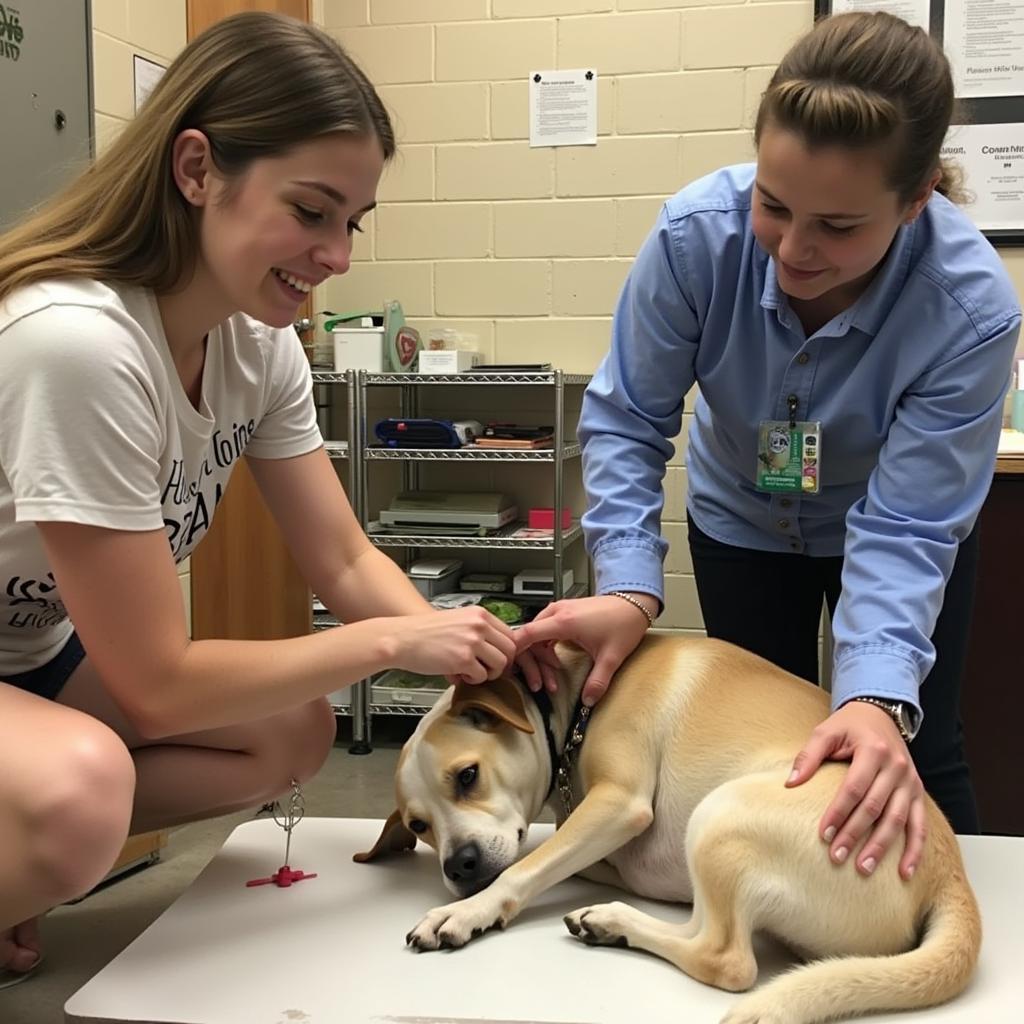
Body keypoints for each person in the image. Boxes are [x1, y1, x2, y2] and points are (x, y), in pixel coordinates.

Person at [0, 12, 547, 984]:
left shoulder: (259, 344)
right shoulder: (75, 343)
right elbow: (157, 683)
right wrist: (394, 642)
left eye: (352, 221)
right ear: (198, 169)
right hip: (43, 670)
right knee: (80, 797)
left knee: (292, 730)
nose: (337, 254)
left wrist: (474, 665)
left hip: (30, 651)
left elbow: (340, 559)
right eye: (312, 210)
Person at [515, 11, 1021, 885]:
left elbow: (906, 525)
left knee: (913, 745)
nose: (793, 250)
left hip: (891, 530)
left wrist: (869, 698)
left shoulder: (969, 308)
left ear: (917, 199)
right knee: (760, 757)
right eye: (774, 206)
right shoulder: (692, 239)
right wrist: (630, 587)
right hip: (742, 520)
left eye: (838, 225)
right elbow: (629, 418)